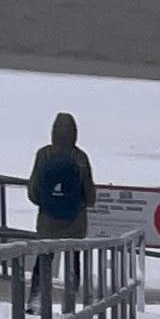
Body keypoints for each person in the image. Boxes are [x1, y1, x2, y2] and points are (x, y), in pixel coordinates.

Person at [24, 110, 94, 306]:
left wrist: (47, 204)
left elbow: (33, 191)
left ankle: (36, 301)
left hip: (47, 221)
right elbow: (90, 196)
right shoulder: (80, 157)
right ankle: (70, 303)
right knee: (73, 261)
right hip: (75, 222)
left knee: (43, 260)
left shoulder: (43, 155)